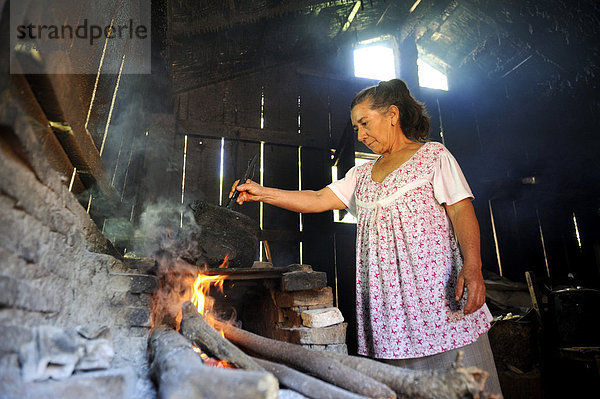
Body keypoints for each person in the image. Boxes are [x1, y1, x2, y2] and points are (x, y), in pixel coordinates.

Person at [232, 79, 502, 396]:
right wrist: (262, 193)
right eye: (357, 127)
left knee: (461, 381)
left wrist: (473, 267)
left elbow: (461, 211)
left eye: (364, 123)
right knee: (402, 385)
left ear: (392, 114)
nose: (360, 135)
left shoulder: (434, 157)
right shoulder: (361, 175)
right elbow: (318, 199)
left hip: (435, 299)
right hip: (389, 307)